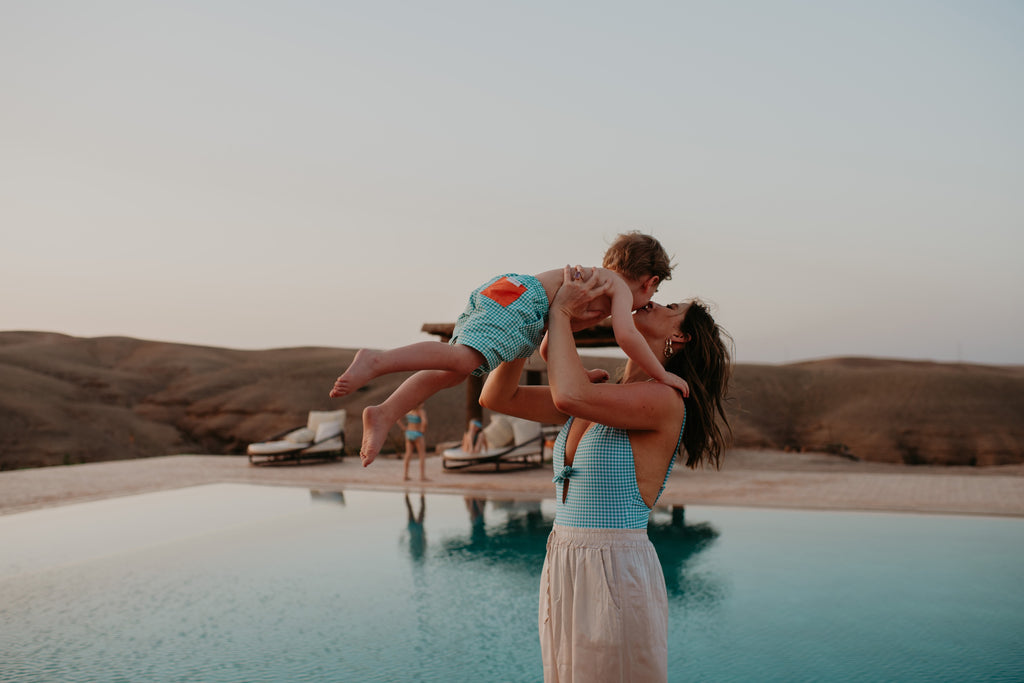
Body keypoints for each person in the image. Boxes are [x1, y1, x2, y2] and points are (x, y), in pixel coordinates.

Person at [479, 266, 732, 683]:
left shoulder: (666, 400)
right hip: (563, 560)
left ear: (681, 336)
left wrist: (561, 314)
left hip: (614, 568)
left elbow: (568, 395)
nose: (656, 301)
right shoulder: (599, 393)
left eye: (671, 307)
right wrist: (531, 325)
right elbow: (497, 396)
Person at [330, 231, 687, 465]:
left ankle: (385, 411)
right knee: (463, 360)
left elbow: (548, 347)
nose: (648, 303)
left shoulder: (592, 291)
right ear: (650, 281)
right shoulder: (615, 286)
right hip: (522, 302)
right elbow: (626, 336)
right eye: (654, 295)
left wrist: (580, 374)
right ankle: (377, 360)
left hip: (512, 296)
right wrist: (662, 374)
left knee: (454, 371)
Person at [401, 403, 428, 481]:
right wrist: (423, 430)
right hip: (417, 433)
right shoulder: (421, 411)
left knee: (408, 454)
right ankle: (422, 476)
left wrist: (403, 427)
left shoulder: (409, 411)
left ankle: (405, 475)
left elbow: (398, 419)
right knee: (422, 455)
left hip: (409, 433)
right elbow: (425, 422)